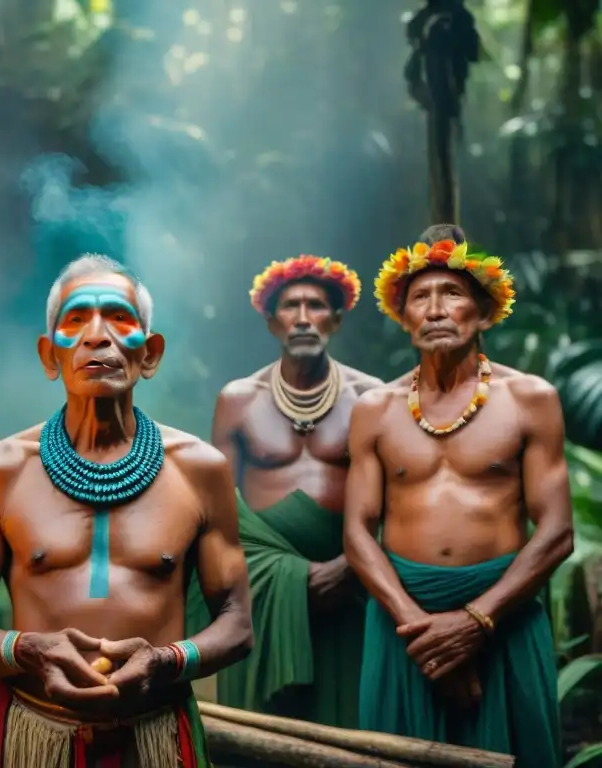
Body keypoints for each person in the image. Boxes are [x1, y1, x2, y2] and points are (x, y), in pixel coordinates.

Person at [0, 254, 253, 767]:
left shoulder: (200, 469)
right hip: (35, 734)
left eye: (119, 318)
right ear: (50, 356)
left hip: (155, 733)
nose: (96, 335)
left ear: (149, 354)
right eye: (75, 320)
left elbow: (237, 625)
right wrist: (28, 651)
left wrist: (165, 661)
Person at [345, 225, 571, 766]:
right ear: (404, 318)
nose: (436, 308)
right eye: (421, 297)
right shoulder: (375, 408)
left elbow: (557, 531)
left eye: (453, 294)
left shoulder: (530, 400)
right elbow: (357, 533)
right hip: (404, 623)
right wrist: (424, 636)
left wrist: (475, 623)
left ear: (485, 313)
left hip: (503, 613)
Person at [187, 254, 382, 730]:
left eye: (315, 305)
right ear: (272, 322)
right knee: (262, 737)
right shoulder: (239, 400)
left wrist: (350, 566)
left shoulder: (372, 397)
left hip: (350, 586)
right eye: (289, 306)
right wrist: (285, 577)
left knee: (351, 730)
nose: (301, 317)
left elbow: (393, 503)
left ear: (335, 318)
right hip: (262, 588)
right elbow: (217, 512)